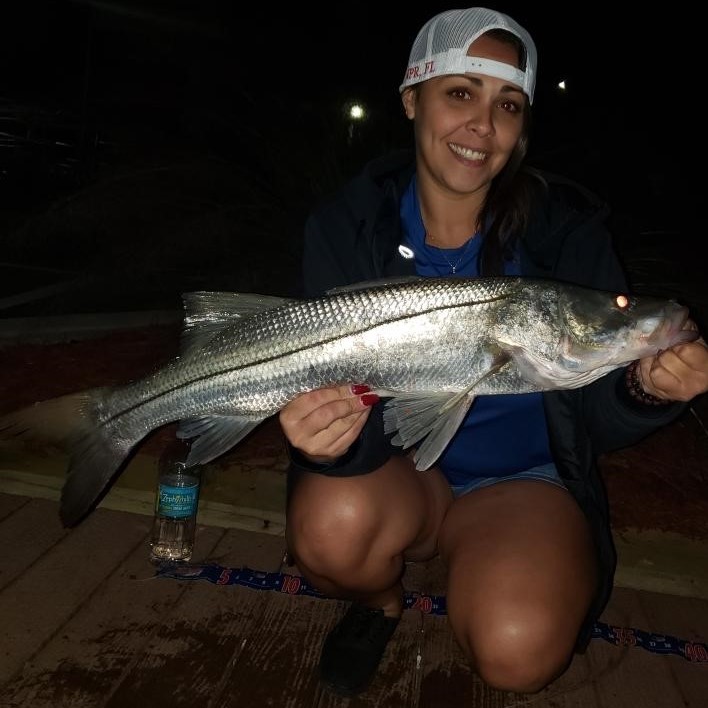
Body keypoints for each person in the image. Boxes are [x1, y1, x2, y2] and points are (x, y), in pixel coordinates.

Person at [278, 7, 708, 697]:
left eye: (507, 104)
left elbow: (596, 418)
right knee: (332, 531)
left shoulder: (566, 235)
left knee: (519, 652)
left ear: (522, 126)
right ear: (411, 99)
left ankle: (496, 562)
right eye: (460, 93)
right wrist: (325, 446)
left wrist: (647, 391)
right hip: (399, 474)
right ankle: (380, 604)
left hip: (523, 484)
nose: (483, 123)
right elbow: (335, 408)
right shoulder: (346, 226)